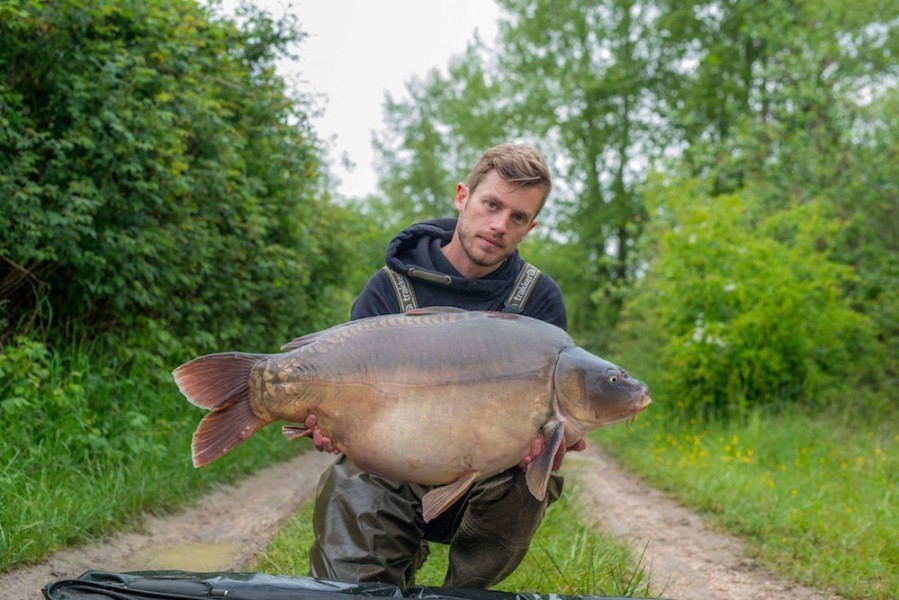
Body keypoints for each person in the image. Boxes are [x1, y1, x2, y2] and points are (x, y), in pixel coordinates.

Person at [304, 143, 585, 590]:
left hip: (489, 480)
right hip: (391, 468)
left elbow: (556, 414)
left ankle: (463, 592)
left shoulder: (538, 300)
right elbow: (343, 390)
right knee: (352, 494)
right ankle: (383, 563)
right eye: (491, 204)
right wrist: (328, 422)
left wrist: (558, 437)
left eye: (517, 218)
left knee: (524, 482)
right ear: (463, 197)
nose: (499, 226)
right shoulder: (389, 289)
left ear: (530, 227)